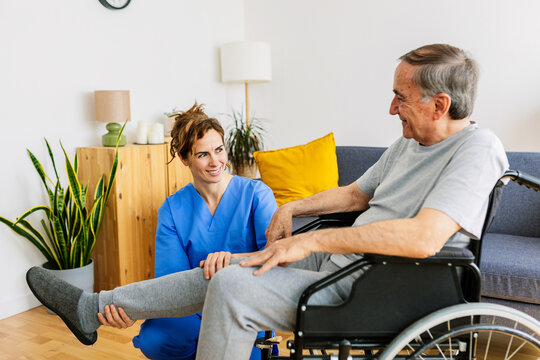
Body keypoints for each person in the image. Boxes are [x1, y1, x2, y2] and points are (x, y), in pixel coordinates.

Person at [26, 44, 509, 360]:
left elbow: (426, 237)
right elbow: (357, 194)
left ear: (440, 105)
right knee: (219, 270)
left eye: (400, 98)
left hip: (378, 284)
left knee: (232, 289)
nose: (391, 108)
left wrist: (311, 242)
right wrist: (291, 210)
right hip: (344, 265)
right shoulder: (408, 143)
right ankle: (93, 308)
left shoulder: (477, 149)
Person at [97, 103, 278, 360]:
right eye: (203, 155)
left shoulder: (257, 195)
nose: (216, 162)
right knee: (155, 339)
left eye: (219, 150)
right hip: (193, 309)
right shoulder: (172, 209)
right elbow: (171, 281)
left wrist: (232, 261)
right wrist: (131, 310)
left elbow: (276, 258)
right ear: (184, 159)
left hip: (244, 304)